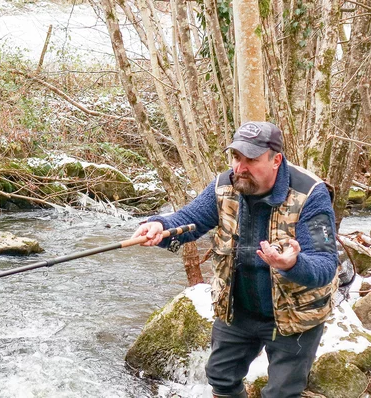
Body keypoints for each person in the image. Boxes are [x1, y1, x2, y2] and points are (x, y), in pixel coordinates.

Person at [132, 121, 338, 398]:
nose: (240, 168)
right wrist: (160, 227)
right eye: (236, 157)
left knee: (282, 393)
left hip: (293, 314)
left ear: (276, 160)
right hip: (238, 309)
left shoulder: (310, 194)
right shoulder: (224, 186)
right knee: (221, 378)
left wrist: (292, 264)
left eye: (251, 160)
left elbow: (325, 264)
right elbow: (188, 220)